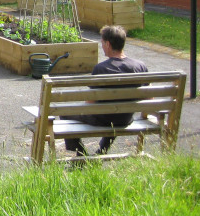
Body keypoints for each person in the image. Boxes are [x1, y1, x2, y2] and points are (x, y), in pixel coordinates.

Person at [63, 25, 148, 157]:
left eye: (102, 42)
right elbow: (149, 98)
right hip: (125, 118)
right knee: (115, 111)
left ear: (108, 44)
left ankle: (81, 155)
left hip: (102, 119)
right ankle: (101, 151)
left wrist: (80, 110)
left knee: (65, 114)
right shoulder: (140, 66)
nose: (101, 45)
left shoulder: (101, 69)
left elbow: (90, 102)